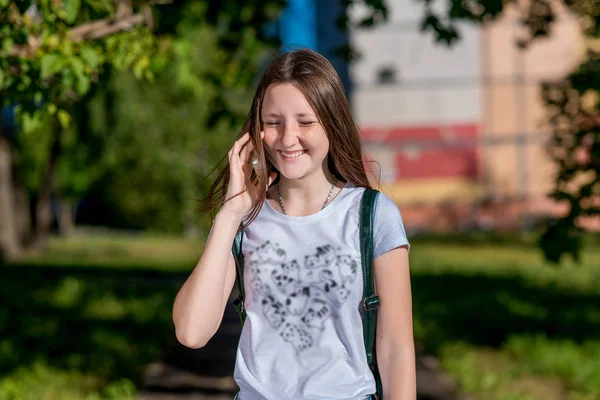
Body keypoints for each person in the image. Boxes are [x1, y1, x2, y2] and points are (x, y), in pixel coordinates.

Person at [172, 49, 415, 400]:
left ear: (332, 123)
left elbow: (396, 349)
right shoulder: (243, 219)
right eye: (273, 122)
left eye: (305, 122)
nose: (287, 138)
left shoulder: (372, 215)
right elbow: (191, 332)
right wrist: (228, 214)